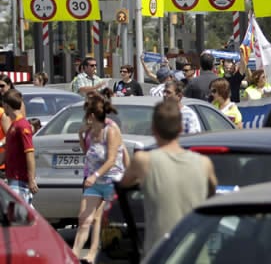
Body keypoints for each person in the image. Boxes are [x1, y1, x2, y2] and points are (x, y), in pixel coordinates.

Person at [119, 100, 217, 255]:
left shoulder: (143, 161)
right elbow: (212, 194)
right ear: (180, 128)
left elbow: (123, 184)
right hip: (196, 254)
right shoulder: (204, 164)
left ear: (153, 129)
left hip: (160, 253)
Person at [72, 92, 126, 263]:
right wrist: (81, 136)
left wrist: (94, 176)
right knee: (84, 218)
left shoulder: (110, 130)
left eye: (86, 114)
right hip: (94, 181)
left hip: (111, 180)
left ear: (92, 116)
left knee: (99, 219)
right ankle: (73, 254)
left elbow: (111, 160)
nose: (85, 118)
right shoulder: (90, 131)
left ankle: (93, 253)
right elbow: (87, 153)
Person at [1, 90, 37, 205]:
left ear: (6, 105)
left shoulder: (22, 126)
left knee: (17, 218)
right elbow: (7, 152)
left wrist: (31, 179)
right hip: (12, 179)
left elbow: (29, 153)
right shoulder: (13, 125)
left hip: (20, 182)